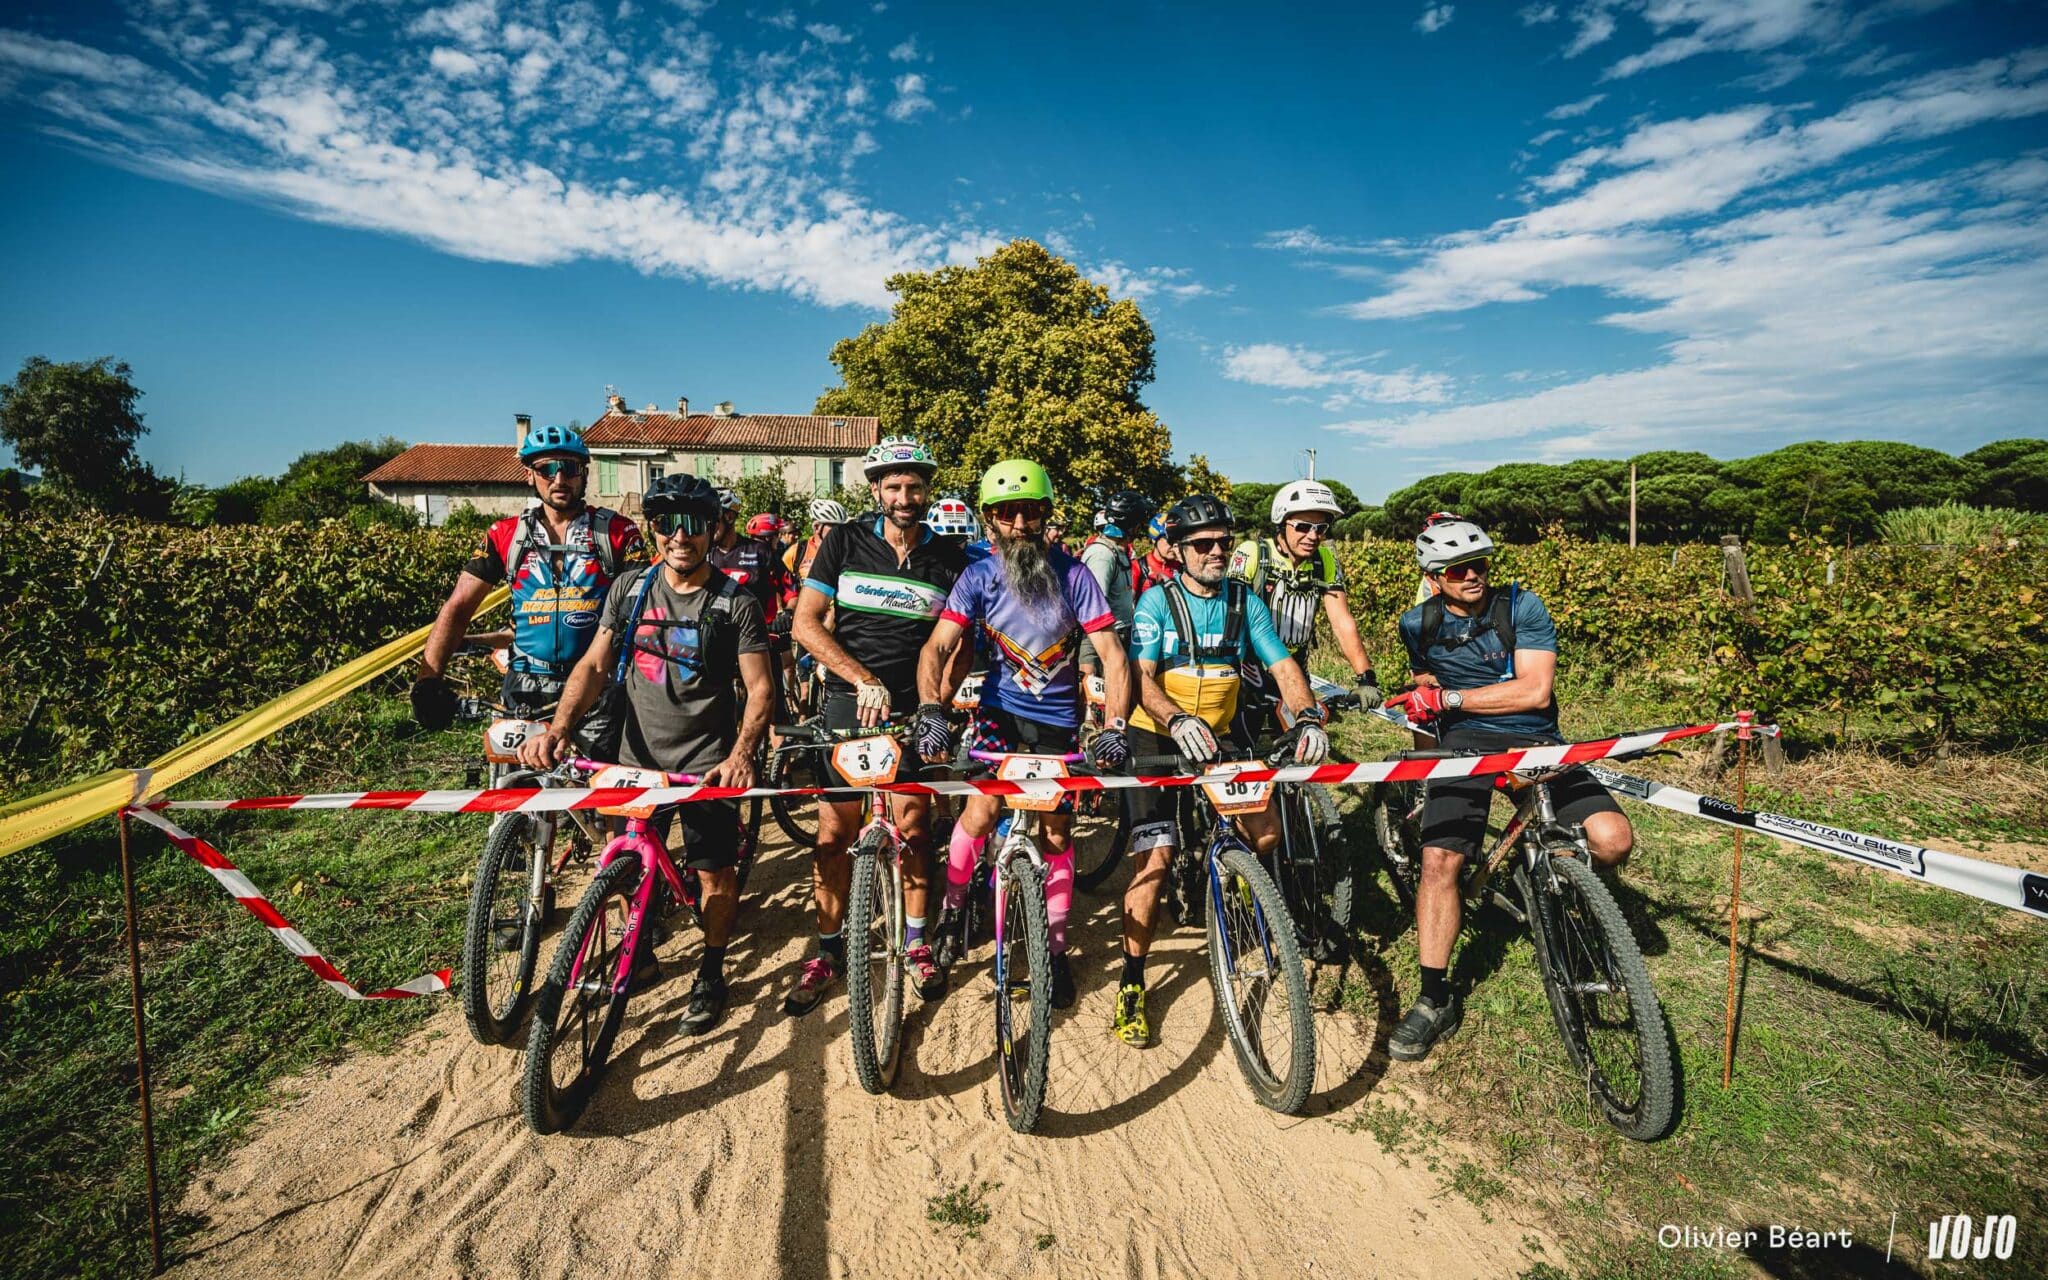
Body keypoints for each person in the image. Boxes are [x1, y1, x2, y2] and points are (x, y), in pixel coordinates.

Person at [517, 473, 773, 1036]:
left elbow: (759, 688)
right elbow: (594, 665)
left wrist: (742, 754)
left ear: (713, 530)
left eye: (694, 524)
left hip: (706, 765)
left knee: (713, 876)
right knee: (621, 865)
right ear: (653, 528)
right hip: (635, 762)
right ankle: (643, 949)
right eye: (667, 524)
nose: (680, 536)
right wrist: (559, 728)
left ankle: (711, 970)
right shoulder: (630, 589)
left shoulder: (736, 603)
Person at [1380, 518, 1634, 1062]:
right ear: (1433, 578)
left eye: (1479, 564)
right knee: (1440, 862)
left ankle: (1564, 893)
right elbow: (1423, 685)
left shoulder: (1521, 607)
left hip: (1535, 737)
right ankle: (1433, 998)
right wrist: (1425, 744)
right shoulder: (1417, 623)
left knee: (1612, 839)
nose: (1473, 575)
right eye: (1457, 570)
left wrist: (1451, 699)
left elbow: (1536, 691)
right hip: (1461, 744)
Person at [913, 459, 1134, 1008]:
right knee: (979, 813)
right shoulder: (978, 576)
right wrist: (931, 708)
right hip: (999, 715)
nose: (1019, 524)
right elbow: (937, 647)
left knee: (1057, 833)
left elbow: (1113, 655)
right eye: (1007, 514)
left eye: (1030, 512)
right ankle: (952, 913)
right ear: (989, 520)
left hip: (1057, 722)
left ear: (1045, 515)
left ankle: (1054, 950)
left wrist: (1115, 726)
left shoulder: (1076, 576)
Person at [1113, 494, 1330, 1047]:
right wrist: (1175, 717)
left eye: (1224, 543)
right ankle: (1132, 981)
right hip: (1156, 732)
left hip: (1220, 730)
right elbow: (1141, 676)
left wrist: (1307, 717)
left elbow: (1283, 665)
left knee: (1267, 830)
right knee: (1155, 859)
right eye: (1203, 544)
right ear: (1178, 550)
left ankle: (1232, 881)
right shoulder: (1156, 602)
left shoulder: (1244, 600)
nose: (1216, 552)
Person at [784, 436, 968, 1014]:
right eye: (894, 487)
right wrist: (861, 678)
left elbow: (961, 641)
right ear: (875, 490)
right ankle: (828, 948)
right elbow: (805, 624)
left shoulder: (950, 557)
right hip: (849, 701)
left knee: (915, 828)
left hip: (915, 708)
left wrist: (939, 702)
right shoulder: (843, 540)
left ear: (927, 490)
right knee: (833, 834)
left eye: (914, 486)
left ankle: (915, 941)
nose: (905, 497)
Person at [412, 425, 640, 735]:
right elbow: (459, 607)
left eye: (569, 468)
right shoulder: (505, 535)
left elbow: (641, 612)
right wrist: (427, 681)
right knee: (519, 767)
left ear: (584, 473)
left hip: (595, 682)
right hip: (524, 684)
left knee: (592, 767)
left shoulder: (617, 532)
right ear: (529, 475)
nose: (559, 479)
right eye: (547, 469)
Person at [1227, 480, 1382, 739]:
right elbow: (1230, 615)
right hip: (1250, 666)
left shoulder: (1325, 559)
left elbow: (1341, 621)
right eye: (1302, 527)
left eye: (1321, 528)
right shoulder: (1252, 553)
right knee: (1243, 745)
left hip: (1296, 667)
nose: (1312, 536)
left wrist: (1366, 677)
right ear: (1281, 522)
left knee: (1300, 744)